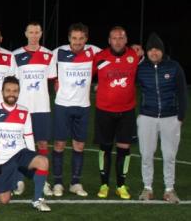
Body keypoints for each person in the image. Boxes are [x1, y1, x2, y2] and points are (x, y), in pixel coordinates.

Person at [0, 76, 51, 212]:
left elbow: (28, 136)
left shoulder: (24, 111)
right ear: (2, 92)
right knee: (4, 200)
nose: (11, 94)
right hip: (2, 161)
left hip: (20, 154)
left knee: (42, 161)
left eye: (15, 91)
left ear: (19, 92)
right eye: (8, 90)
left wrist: (33, 158)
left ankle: (37, 200)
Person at [51, 23, 101, 197]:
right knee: (59, 145)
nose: (77, 42)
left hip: (83, 106)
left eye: (81, 38)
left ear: (86, 38)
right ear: (69, 38)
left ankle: (75, 182)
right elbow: (44, 68)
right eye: (74, 38)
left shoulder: (94, 51)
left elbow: (110, 63)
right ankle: (58, 183)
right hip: (62, 106)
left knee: (79, 145)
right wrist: (54, 80)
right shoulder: (58, 52)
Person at [136, 32, 187, 203]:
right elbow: (126, 79)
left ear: (162, 51)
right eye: (150, 50)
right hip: (147, 117)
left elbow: (182, 92)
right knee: (146, 154)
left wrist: (181, 116)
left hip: (170, 118)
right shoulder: (141, 68)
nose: (154, 52)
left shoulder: (174, 67)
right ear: (147, 52)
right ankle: (147, 188)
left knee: (169, 155)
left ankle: (169, 189)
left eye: (157, 49)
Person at [93, 26, 140, 199]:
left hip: (127, 111)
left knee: (124, 148)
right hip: (104, 111)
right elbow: (85, 74)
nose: (118, 41)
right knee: (105, 148)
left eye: (121, 37)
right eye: (114, 38)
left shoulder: (134, 56)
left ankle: (121, 185)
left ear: (126, 40)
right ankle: (104, 185)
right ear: (109, 40)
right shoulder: (100, 57)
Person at [11, 22, 56, 196]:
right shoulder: (16, 55)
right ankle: (19, 180)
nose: (34, 35)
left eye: (37, 32)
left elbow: (52, 82)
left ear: (41, 33)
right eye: (31, 32)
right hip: (22, 109)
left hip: (42, 108)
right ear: (26, 33)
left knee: (42, 144)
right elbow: (12, 84)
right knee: (21, 146)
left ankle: (43, 181)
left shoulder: (48, 55)